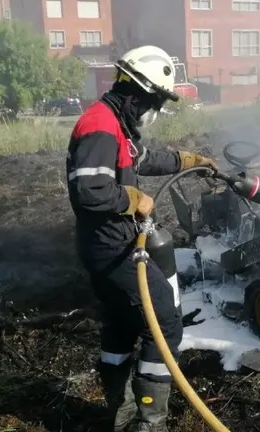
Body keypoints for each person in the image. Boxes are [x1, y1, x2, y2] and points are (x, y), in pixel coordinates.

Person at [65, 45, 218, 432]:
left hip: (106, 245)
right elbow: (89, 190)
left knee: (121, 322)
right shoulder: (99, 125)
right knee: (164, 321)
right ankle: (150, 423)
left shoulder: (116, 123)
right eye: (157, 102)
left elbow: (144, 159)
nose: (156, 111)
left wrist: (191, 160)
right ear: (139, 93)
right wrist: (132, 197)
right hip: (111, 247)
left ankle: (121, 413)